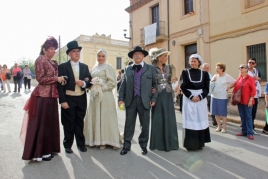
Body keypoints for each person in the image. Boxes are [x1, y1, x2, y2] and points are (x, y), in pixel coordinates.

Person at [20, 37, 65, 161]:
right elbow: (40, 79)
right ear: (44, 50)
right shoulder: (40, 59)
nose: (53, 51)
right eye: (51, 49)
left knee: (51, 124)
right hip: (42, 96)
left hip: (51, 96)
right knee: (43, 124)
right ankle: (41, 152)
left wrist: (57, 71)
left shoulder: (51, 62)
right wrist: (57, 78)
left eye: (54, 49)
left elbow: (53, 76)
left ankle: (50, 148)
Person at [118, 46, 158, 155]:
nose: (137, 55)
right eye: (135, 54)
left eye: (139, 53)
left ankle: (143, 146)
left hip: (145, 101)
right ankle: (126, 146)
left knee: (144, 125)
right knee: (128, 124)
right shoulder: (128, 68)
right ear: (132, 57)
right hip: (130, 100)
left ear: (143, 55)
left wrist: (154, 98)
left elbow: (155, 85)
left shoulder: (150, 68)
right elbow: (123, 85)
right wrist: (120, 98)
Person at [57, 40, 92, 154]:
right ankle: (67, 145)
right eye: (74, 51)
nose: (77, 53)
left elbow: (90, 81)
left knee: (79, 122)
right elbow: (59, 86)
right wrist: (62, 101)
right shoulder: (62, 67)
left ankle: (80, 144)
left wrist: (84, 83)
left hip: (81, 98)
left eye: (78, 51)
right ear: (69, 54)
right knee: (68, 123)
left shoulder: (84, 66)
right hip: (68, 98)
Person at [84, 49, 122, 149]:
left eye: (102, 56)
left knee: (105, 117)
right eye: (99, 56)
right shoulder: (94, 68)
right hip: (95, 96)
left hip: (105, 96)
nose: (100, 58)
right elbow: (90, 81)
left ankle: (106, 140)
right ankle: (97, 139)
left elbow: (112, 82)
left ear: (106, 57)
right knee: (96, 116)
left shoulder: (108, 67)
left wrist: (102, 86)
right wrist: (91, 84)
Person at [149, 48, 179, 151]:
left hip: (168, 95)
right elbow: (149, 82)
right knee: (158, 119)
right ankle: (158, 144)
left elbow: (170, 81)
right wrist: (151, 91)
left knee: (169, 118)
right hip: (158, 95)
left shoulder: (169, 68)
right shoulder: (151, 68)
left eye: (166, 56)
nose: (166, 58)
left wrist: (173, 93)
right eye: (164, 56)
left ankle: (170, 143)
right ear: (158, 57)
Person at [180, 54, 211, 151]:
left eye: (195, 61)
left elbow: (206, 87)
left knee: (199, 119)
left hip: (200, 99)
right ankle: (190, 144)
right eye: (191, 61)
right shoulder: (185, 72)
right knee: (190, 119)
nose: (193, 63)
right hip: (189, 98)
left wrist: (201, 96)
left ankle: (200, 143)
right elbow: (183, 86)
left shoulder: (204, 74)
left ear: (199, 62)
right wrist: (191, 96)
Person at [231, 64, 256, 140]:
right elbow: (236, 88)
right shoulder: (240, 78)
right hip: (240, 101)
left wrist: (251, 100)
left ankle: (250, 133)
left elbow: (253, 90)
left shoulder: (250, 78)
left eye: (242, 67)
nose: (240, 69)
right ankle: (244, 131)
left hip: (248, 101)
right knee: (242, 117)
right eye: (240, 68)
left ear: (246, 69)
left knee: (248, 117)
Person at [210, 63, 236, 133]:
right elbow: (210, 84)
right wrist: (212, 80)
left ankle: (224, 127)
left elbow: (235, 82)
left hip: (222, 97)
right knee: (216, 112)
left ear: (222, 69)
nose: (216, 69)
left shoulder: (226, 76)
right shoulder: (215, 76)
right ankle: (219, 126)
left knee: (223, 113)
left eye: (218, 68)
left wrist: (230, 87)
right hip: (214, 96)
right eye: (216, 68)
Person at [247, 58, 261, 133]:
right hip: (247, 95)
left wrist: (258, 78)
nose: (251, 64)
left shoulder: (257, 71)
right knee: (248, 112)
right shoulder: (245, 71)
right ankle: (248, 127)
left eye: (252, 63)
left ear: (255, 64)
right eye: (249, 62)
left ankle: (252, 126)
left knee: (253, 112)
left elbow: (259, 80)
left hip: (255, 95)